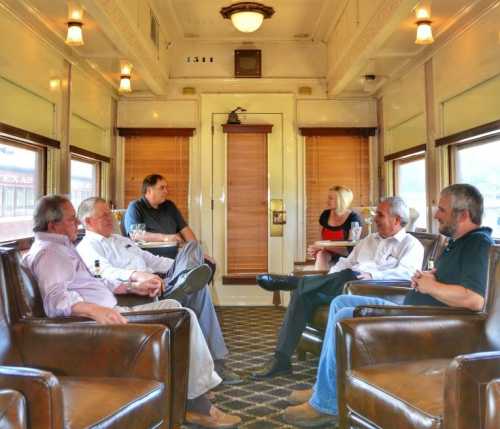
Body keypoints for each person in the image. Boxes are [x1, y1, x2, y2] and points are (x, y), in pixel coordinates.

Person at [283, 183, 494, 428]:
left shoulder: (478, 244)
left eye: (442, 210)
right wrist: (431, 278)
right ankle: (325, 388)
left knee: (345, 314)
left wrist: (431, 286)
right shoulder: (457, 242)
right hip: (411, 306)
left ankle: (326, 403)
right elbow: (454, 282)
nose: (436, 214)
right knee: (342, 301)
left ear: (464, 214)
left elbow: (475, 299)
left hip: (422, 320)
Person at [22, 195, 241, 429]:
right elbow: (55, 299)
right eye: (71, 219)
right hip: (101, 320)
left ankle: (190, 390)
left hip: (118, 303)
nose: (76, 224)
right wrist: (95, 310)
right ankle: (197, 405)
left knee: (175, 305)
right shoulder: (50, 253)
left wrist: (130, 287)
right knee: (182, 316)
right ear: (52, 225)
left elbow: (94, 282)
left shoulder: (62, 248)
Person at [251, 196, 424, 379]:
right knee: (304, 293)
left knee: (350, 275)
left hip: (372, 291)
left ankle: (294, 281)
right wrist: (333, 277)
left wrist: (373, 276)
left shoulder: (411, 245)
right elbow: (345, 262)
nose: (374, 219)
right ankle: (281, 360)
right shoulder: (369, 240)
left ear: (396, 219)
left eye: (380, 215)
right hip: (343, 286)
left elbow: (406, 275)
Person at [76, 196, 241, 385]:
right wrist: (137, 275)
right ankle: (218, 363)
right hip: (142, 292)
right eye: (103, 215)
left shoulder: (120, 240)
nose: (110, 219)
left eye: (110, 214)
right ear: (88, 222)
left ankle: (185, 276)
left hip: (162, 281)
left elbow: (152, 259)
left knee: (193, 248)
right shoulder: (88, 247)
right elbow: (106, 272)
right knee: (199, 290)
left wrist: (180, 264)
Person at [124, 173, 216, 277]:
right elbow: (136, 235)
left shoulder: (169, 206)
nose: (166, 191)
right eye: (162, 188)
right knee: (193, 274)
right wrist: (166, 238)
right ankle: (181, 288)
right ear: (149, 190)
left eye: (166, 187)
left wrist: (197, 252)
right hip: (153, 262)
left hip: (176, 257)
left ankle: (185, 290)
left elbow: (185, 230)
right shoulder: (136, 207)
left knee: (208, 265)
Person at [307, 185, 362, 270]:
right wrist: (315, 248)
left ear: (341, 201)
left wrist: (323, 246)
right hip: (327, 253)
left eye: (330, 198)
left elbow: (350, 250)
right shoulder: (325, 215)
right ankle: (321, 281)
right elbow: (320, 241)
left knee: (322, 254)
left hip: (346, 256)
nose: (327, 201)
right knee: (321, 254)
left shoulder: (354, 218)